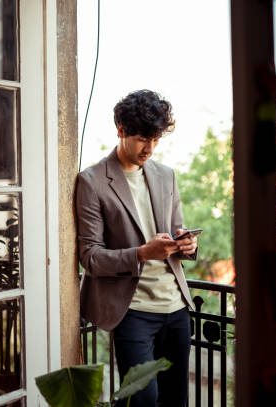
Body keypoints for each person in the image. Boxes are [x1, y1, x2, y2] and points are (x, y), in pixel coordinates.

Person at [76, 90, 198, 406]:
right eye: (143, 139)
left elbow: (176, 233)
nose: (150, 148)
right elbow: (90, 257)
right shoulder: (92, 181)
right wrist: (142, 253)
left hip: (176, 308)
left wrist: (186, 244)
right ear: (120, 130)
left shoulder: (166, 175)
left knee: (175, 400)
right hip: (133, 312)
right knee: (142, 399)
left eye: (156, 139)